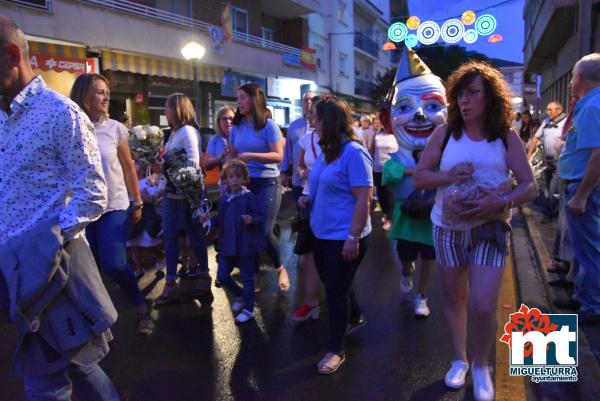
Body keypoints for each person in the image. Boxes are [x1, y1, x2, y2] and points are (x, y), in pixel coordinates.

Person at [0, 15, 120, 400]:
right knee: (75, 362)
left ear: (10, 55)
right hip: (12, 268)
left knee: (44, 378)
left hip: (53, 270)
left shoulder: (59, 114)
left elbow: (93, 192)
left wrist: (47, 244)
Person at [413, 61, 535, 401]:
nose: (465, 102)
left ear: (489, 97)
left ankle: (481, 366)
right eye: (460, 95)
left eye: (473, 94)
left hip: (490, 229)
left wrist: (502, 201)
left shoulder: (504, 136)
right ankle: (459, 360)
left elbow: (529, 186)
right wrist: (449, 176)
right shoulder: (445, 133)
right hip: (448, 229)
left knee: (483, 306)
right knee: (455, 299)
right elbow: (421, 177)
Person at [70, 73, 151, 335]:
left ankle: (140, 306)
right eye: (100, 92)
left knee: (114, 263)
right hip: (84, 207)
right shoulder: (72, 127)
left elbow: (128, 168)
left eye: (107, 92)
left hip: (115, 205)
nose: (106, 97)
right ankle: (100, 319)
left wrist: (137, 201)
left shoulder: (115, 128)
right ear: (85, 96)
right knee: (90, 267)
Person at [299, 96, 373, 374]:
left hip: (344, 235)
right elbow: (318, 182)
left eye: (315, 117)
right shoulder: (329, 150)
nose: (312, 121)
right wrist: (309, 198)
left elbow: (363, 199)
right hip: (322, 233)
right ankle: (355, 315)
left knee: (335, 291)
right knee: (337, 281)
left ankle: (335, 350)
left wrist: (352, 238)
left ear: (328, 121)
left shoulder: (354, 152)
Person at [382, 47, 448, 318]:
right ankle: (406, 272)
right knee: (406, 255)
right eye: (406, 107)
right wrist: (420, 171)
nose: (420, 115)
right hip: (405, 211)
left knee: (430, 258)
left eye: (432, 106)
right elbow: (389, 176)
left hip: (434, 211)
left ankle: (422, 296)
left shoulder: (448, 149)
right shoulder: (396, 151)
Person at [229, 83, 290, 292]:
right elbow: (231, 152)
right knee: (248, 229)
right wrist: (227, 175)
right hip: (245, 183)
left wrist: (251, 156)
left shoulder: (269, 125)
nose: (239, 102)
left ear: (254, 100)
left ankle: (280, 267)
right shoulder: (237, 126)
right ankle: (254, 277)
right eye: (238, 98)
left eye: (243, 98)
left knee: (263, 230)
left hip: (267, 183)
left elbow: (278, 156)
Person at [555, 53, 600, 325]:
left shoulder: (592, 106)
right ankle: (583, 296)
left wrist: (582, 194)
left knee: (590, 250)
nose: (570, 82)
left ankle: (592, 305)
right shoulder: (590, 104)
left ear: (581, 78)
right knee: (584, 249)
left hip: (586, 188)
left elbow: (598, 155)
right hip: (582, 186)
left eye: (572, 77)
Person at [156, 93, 210, 304]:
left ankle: (203, 276)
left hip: (186, 195)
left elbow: (193, 166)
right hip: (172, 193)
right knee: (169, 238)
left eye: (167, 108)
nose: (165, 112)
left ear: (177, 110)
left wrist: (165, 167)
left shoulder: (187, 132)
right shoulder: (174, 133)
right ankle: (171, 282)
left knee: (194, 236)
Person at [200, 160, 265, 323]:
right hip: (227, 245)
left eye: (238, 176)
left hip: (245, 246)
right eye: (231, 177)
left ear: (244, 179)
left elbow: (260, 217)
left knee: (247, 278)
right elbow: (219, 219)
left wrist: (252, 219)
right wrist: (207, 219)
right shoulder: (223, 200)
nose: (235, 180)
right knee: (222, 275)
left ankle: (249, 309)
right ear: (225, 179)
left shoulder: (249, 197)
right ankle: (240, 295)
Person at [291, 95, 323, 321]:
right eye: (309, 113)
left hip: (334, 203)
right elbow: (300, 167)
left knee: (335, 255)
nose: (310, 118)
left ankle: (349, 305)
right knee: (309, 254)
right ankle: (311, 301)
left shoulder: (345, 142)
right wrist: (304, 175)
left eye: (314, 114)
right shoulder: (307, 140)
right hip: (309, 199)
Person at [528, 100, 567, 221]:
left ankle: (549, 214)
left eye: (550, 109)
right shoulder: (545, 122)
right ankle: (554, 211)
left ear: (559, 110)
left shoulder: (566, 122)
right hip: (547, 159)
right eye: (547, 109)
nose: (548, 112)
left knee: (553, 189)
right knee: (547, 187)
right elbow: (535, 138)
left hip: (560, 161)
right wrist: (529, 154)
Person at [281, 90, 315, 200]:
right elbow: (287, 152)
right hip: (298, 181)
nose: (309, 102)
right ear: (302, 103)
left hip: (316, 181)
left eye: (312, 99)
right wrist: (283, 172)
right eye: (306, 99)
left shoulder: (323, 126)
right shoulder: (294, 126)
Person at [370, 116, 398, 231]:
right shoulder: (376, 135)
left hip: (390, 171)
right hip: (377, 169)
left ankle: (389, 220)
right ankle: (385, 215)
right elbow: (371, 150)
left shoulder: (395, 134)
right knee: (380, 195)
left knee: (389, 195)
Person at [205, 105, 235, 171]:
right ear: (219, 122)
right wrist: (221, 157)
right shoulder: (215, 139)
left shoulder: (241, 137)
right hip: (224, 179)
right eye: (224, 119)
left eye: (231, 118)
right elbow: (207, 165)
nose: (228, 121)